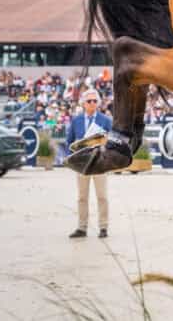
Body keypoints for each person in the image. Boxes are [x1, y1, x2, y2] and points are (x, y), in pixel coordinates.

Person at [66, 88, 112, 238]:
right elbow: (69, 142)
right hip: (82, 164)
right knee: (82, 197)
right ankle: (82, 227)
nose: (92, 103)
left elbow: (112, 141)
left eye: (95, 101)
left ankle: (103, 227)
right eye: (89, 101)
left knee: (102, 196)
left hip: (99, 163)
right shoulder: (76, 120)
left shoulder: (105, 120)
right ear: (83, 103)